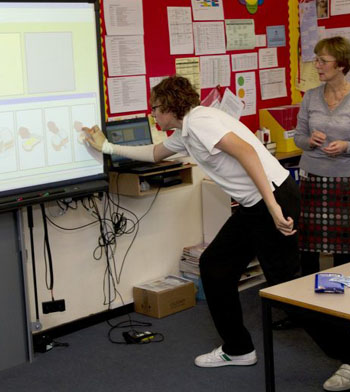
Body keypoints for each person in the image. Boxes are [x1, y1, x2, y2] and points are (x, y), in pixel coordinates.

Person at [83, 75, 300, 368]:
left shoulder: (199, 122)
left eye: (156, 108)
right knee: (214, 266)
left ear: (171, 106)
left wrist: (273, 207)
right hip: (257, 204)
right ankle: (238, 349)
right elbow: (156, 153)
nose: (154, 114)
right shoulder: (187, 130)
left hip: (271, 199)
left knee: (285, 287)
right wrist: (108, 147)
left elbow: (247, 152)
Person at [294, 36, 350, 392]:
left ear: (340, 63)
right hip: (313, 180)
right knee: (306, 253)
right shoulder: (310, 97)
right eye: (316, 60)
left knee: (343, 260)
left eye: (322, 60)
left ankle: (345, 321)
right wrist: (311, 142)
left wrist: (347, 146)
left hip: (348, 184)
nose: (317, 65)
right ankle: (310, 315)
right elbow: (298, 138)